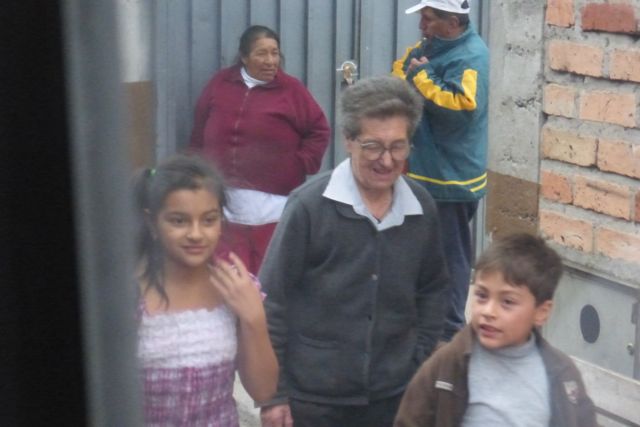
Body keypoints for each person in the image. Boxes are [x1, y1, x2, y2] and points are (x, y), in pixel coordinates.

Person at [259, 76, 449, 427]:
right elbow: (272, 301)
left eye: (398, 146)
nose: (387, 161)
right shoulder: (309, 207)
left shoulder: (421, 207)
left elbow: (433, 290)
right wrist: (275, 395)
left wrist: (418, 359)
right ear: (348, 140)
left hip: (394, 397)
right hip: (313, 400)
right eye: (373, 146)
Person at [394, 233, 598, 427]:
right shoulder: (447, 365)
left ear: (541, 312)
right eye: (482, 296)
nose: (489, 311)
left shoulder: (562, 373)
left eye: (507, 302)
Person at [134, 154, 278, 426]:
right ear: (152, 223)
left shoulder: (235, 288)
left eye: (209, 220)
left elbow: (264, 391)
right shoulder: (129, 293)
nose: (196, 234)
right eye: (179, 221)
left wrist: (254, 319)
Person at [190, 24, 330, 275]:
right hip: (224, 199)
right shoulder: (221, 83)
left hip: (273, 203)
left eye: (274, 53)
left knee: (268, 275)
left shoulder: (291, 90)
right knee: (228, 274)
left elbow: (319, 130)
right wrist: (197, 173)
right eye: (261, 53)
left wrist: (299, 164)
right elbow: (199, 129)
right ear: (244, 57)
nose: (270, 61)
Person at [392, 0, 489, 341]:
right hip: (423, 172)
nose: (422, 26)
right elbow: (398, 75)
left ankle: (449, 332)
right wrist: (415, 75)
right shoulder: (431, 45)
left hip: (451, 179)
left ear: (453, 22)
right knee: (418, 251)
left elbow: (461, 108)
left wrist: (422, 76)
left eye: (428, 19)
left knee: (451, 256)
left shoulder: (472, 56)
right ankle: (420, 322)